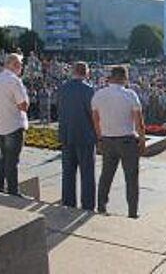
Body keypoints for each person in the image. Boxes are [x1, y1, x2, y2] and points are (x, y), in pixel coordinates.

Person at [92, 66, 146, 218]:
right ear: (124, 78)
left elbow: (96, 120)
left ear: (111, 77)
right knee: (131, 178)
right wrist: (142, 141)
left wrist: (99, 138)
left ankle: (101, 207)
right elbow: (139, 123)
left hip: (107, 139)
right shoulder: (130, 94)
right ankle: (132, 212)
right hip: (127, 140)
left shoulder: (98, 94)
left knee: (106, 175)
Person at [0, 53, 29, 196]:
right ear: (15, 65)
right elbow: (23, 106)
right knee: (12, 161)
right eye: (20, 65)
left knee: (3, 159)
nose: (22, 67)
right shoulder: (14, 80)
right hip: (13, 125)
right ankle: (13, 191)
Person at [58, 62, 96, 211]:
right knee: (87, 173)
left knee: (68, 172)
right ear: (86, 73)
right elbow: (92, 114)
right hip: (85, 136)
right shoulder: (88, 90)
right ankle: (87, 205)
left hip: (67, 135)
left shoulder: (63, 88)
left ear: (73, 72)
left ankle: (68, 203)